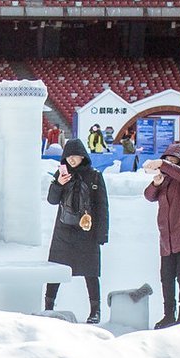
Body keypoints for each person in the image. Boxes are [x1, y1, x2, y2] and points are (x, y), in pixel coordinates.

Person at [45, 137, 108, 323]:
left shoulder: (95, 176)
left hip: (87, 230)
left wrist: (102, 233)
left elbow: (102, 206)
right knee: (55, 270)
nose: (72, 160)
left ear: (83, 156)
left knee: (91, 272)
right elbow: (52, 200)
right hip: (63, 231)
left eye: (76, 156)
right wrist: (58, 184)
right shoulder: (61, 174)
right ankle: (48, 307)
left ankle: (95, 310)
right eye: (69, 157)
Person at [142, 142, 180, 328]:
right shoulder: (165, 179)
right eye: (167, 159)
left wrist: (162, 165)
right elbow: (148, 195)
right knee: (166, 277)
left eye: (173, 160)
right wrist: (155, 183)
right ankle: (169, 315)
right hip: (167, 238)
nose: (169, 163)